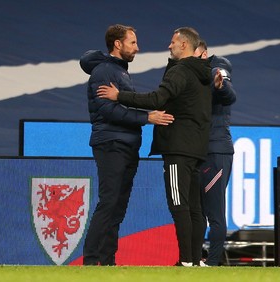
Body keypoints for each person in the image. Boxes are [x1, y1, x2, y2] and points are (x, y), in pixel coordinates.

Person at [97, 27, 212, 267]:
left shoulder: (181, 71)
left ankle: (186, 261)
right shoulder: (202, 73)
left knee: (178, 204)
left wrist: (120, 96)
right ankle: (195, 260)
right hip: (197, 147)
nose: (169, 46)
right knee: (194, 207)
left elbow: (157, 99)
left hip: (178, 146)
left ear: (183, 45)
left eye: (173, 42)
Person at [80, 24, 174, 266]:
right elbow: (106, 109)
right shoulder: (104, 72)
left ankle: (107, 260)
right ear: (118, 44)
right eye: (133, 42)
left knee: (118, 206)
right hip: (111, 143)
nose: (137, 47)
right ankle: (90, 261)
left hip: (127, 144)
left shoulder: (119, 71)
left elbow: (125, 103)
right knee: (109, 201)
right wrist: (147, 118)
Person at [194, 40, 237, 266]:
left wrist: (220, 85)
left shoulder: (217, 67)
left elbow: (229, 94)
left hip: (217, 150)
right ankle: (195, 260)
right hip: (200, 151)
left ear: (203, 52)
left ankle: (212, 264)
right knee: (198, 209)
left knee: (215, 212)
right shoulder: (190, 73)